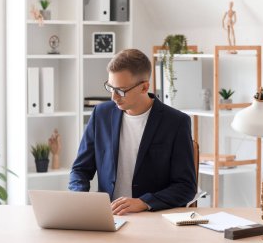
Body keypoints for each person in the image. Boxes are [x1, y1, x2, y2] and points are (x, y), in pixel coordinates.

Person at [69, 49, 196, 215]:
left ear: (144, 87)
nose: (114, 97)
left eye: (121, 90)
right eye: (110, 87)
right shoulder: (101, 114)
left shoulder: (176, 122)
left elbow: (186, 187)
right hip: (108, 217)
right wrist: (80, 199)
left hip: (153, 218)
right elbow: (80, 170)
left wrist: (144, 202)